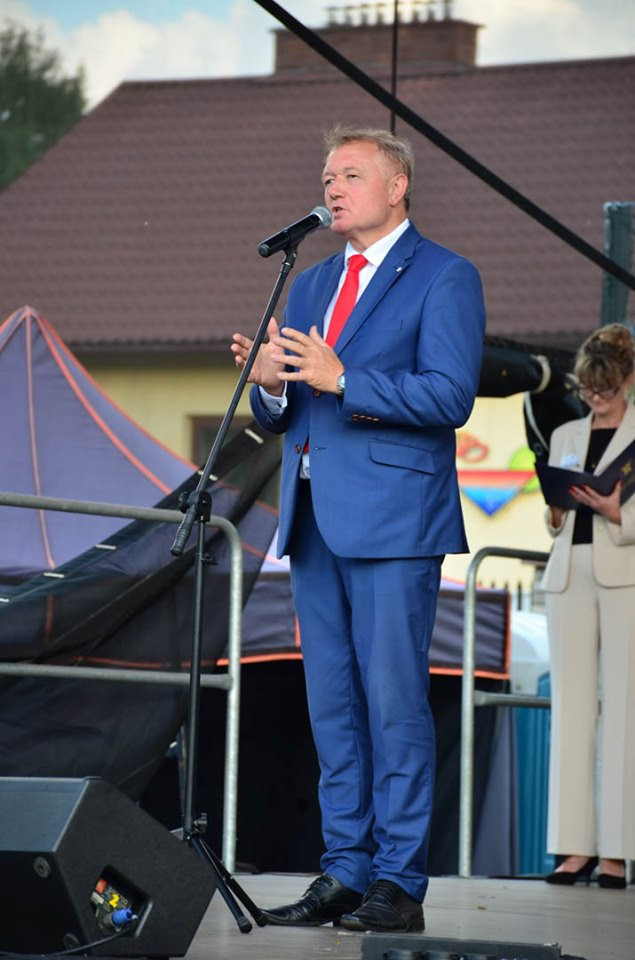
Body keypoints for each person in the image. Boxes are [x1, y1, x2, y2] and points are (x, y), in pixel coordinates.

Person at [232, 125, 485, 931]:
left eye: (349, 175)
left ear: (396, 185)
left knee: (393, 703)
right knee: (332, 708)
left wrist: (346, 379)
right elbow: (289, 412)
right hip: (313, 521)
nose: (331, 188)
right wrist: (270, 386)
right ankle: (344, 871)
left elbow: (450, 396)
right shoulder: (308, 283)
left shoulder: (444, 275)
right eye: (326, 177)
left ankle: (398, 883)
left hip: (396, 521)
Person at [542, 323, 635, 889]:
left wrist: (617, 513)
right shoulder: (566, 434)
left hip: (625, 575)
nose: (596, 399)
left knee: (623, 713)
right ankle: (573, 849)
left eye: (606, 389)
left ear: (627, 380)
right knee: (571, 711)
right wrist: (555, 510)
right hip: (568, 575)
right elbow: (553, 519)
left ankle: (617, 854)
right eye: (589, 390)